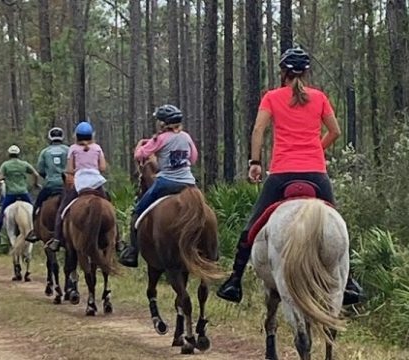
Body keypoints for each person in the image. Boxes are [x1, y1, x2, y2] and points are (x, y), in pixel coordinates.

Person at [216, 47, 363, 305]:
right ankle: (348, 282)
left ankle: (234, 281)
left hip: (282, 174)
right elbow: (335, 131)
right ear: (306, 73)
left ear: (282, 72)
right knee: (339, 225)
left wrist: (255, 163)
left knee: (250, 228)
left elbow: (259, 130)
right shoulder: (319, 97)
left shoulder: (272, 97)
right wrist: (317, 147)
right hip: (316, 175)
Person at [119, 104, 198, 268]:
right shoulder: (186, 137)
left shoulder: (160, 139)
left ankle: (132, 251)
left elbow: (140, 155)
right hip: (189, 184)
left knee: (137, 212)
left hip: (166, 183)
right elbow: (193, 159)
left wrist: (141, 145)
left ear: (163, 123)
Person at [47, 121, 110, 252]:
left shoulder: (73, 149)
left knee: (62, 209)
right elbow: (103, 167)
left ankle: (57, 239)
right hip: (96, 182)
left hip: (80, 183)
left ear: (76, 136)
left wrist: (78, 169)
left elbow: (69, 169)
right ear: (92, 135)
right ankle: (118, 241)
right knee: (109, 207)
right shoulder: (97, 148)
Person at [0, 145, 42, 244]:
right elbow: (36, 174)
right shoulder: (24, 164)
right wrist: (35, 184)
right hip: (23, 193)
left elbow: (0, 177)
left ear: (9, 154)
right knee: (34, 211)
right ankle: (36, 230)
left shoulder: (5, 165)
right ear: (18, 154)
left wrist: (0, 179)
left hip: (11, 194)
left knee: (2, 213)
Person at [25, 127, 69, 242]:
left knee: (36, 206)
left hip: (50, 186)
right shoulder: (68, 150)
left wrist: (48, 177)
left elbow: (40, 170)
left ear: (50, 138)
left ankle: (34, 231)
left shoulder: (44, 152)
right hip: (67, 185)